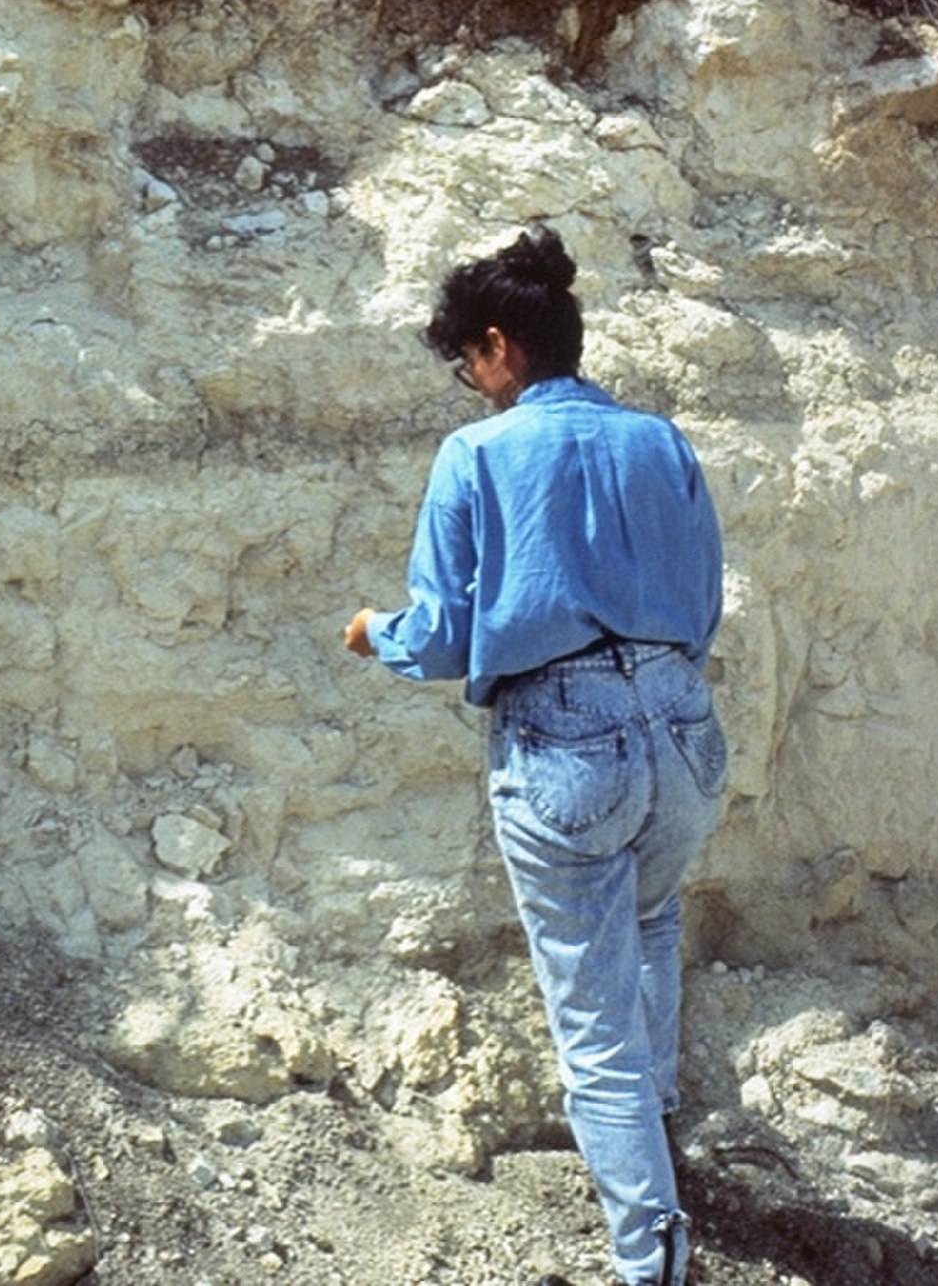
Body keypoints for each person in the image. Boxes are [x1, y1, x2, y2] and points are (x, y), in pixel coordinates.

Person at [344, 226, 727, 1286]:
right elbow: (703, 604)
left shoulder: (478, 453)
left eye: (468, 359)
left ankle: (651, 1258)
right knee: (649, 914)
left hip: (567, 746)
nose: (471, 382)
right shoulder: (661, 439)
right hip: (684, 725)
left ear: (502, 345)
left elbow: (444, 633)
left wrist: (374, 631)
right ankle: (657, 1132)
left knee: (592, 1020)